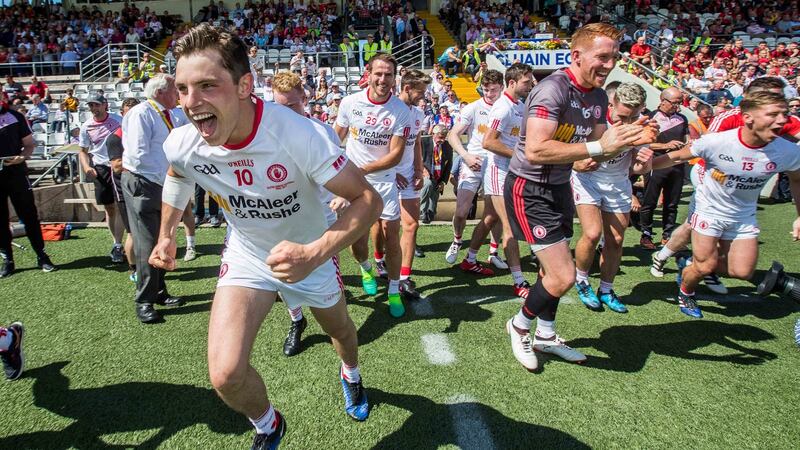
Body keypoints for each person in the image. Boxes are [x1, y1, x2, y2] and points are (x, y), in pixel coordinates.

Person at [150, 23, 381, 446]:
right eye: (182, 89)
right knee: (225, 374)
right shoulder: (183, 142)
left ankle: (351, 374)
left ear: (244, 86)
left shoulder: (297, 134)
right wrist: (166, 233)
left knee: (342, 331)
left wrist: (315, 252)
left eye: (206, 86)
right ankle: (268, 424)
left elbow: (368, 199)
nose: (191, 103)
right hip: (249, 255)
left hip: (311, 254)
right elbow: (177, 175)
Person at [504, 23, 653, 371]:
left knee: (551, 272)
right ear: (577, 56)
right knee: (563, 275)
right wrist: (599, 146)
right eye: (602, 56)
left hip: (560, 186)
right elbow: (538, 149)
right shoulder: (552, 89)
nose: (609, 64)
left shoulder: (600, 95)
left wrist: (635, 143)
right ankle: (519, 325)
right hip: (530, 189)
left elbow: (595, 155)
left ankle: (546, 334)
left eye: (614, 57)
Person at [650, 91, 800, 318]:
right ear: (748, 116)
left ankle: (687, 261)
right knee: (704, 261)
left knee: (743, 271)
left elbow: (797, 178)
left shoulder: (787, 150)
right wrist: (642, 167)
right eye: (773, 114)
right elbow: (682, 155)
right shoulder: (720, 137)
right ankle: (686, 291)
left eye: (784, 113)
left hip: (743, 213)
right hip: (709, 203)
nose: (782, 120)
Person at [334, 53, 411, 318]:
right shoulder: (350, 103)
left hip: (384, 182)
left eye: (388, 74)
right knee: (358, 239)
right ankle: (366, 268)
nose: (383, 79)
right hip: (353, 183)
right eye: (378, 73)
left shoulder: (401, 110)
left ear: (394, 77)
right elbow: (336, 138)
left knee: (391, 236)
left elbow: (396, 155)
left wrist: (364, 169)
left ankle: (392, 290)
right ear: (368, 74)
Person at [271, 70, 342, 357]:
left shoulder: (324, 132)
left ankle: (338, 326)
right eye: (279, 107)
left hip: (322, 218)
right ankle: (297, 321)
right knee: (284, 275)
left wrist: (339, 194)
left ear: (305, 98)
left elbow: (341, 172)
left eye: (292, 106)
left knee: (328, 275)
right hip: (284, 218)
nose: (286, 113)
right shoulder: (267, 135)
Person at [571, 82, 654, 313]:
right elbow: (584, 163)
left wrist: (642, 162)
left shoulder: (642, 125)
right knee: (592, 232)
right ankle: (582, 280)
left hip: (618, 184)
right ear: (612, 104)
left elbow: (639, 167)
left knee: (616, 239)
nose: (626, 123)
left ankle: (606, 289)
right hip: (588, 180)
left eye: (633, 116)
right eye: (622, 116)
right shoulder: (593, 121)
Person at [121, 75, 186, 323]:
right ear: (160, 92)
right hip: (145, 183)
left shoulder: (166, 113)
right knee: (147, 242)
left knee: (163, 238)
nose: (178, 95)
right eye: (174, 90)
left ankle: (159, 292)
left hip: (158, 182)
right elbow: (138, 156)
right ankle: (144, 300)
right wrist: (167, 175)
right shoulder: (141, 113)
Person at [481, 63, 536, 299]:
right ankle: (518, 280)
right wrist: (519, 156)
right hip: (499, 171)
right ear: (512, 83)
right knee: (509, 226)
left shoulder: (519, 105)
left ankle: (471, 255)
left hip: (515, 171)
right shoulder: (502, 108)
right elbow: (488, 142)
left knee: (494, 219)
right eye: (527, 81)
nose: (531, 84)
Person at [445, 70, 507, 273]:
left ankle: (493, 252)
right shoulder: (473, 108)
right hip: (473, 162)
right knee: (461, 212)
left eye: (494, 90)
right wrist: (466, 156)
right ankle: (457, 240)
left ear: (502, 88)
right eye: (486, 90)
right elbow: (452, 135)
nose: (489, 94)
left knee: (495, 213)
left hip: (496, 164)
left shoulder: (508, 108)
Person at [379, 69, 431, 297]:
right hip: (386, 176)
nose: (424, 96)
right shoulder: (388, 110)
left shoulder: (418, 113)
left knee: (411, 225)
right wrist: (391, 170)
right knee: (384, 227)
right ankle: (379, 261)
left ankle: (404, 277)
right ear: (407, 88)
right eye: (421, 91)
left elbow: (417, 143)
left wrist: (418, 170)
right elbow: (377, 148)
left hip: (409, 175)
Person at [0, 102, 56, 278]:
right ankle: (8, 260)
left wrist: (20, 158)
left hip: (16, 174)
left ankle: (41, 255)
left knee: (29, 215)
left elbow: (29, 145)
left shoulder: (15, 117)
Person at [77, 93, 126, 264]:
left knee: (120, 206)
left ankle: (119, 245)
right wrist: (86, 167)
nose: (94, 109)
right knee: (109, 208)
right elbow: (82, 150)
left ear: (105, 105)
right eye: (91, 106)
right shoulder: (87, 126)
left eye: (96, 105)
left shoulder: (118, 120)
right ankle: (116, 243)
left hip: (119, 165)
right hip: (101, 168)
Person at [638, 87, 689, 250]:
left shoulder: (682, 118)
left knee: (672, 203)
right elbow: (642, 142)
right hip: (657, 163)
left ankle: (668, 236)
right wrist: (665, 145)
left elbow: (687, 138)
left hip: (677, 165)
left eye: (680, 102)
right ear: (663, 101)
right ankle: (646, 234)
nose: (678, 106)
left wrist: (689, 144)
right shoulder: (650, 118)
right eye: (675, 103)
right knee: (649, 201)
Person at [106, 97, 141, 283]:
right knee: (133, 232)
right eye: (128, 113)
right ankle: (134, 269)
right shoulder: (115, 138)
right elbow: (117, 166)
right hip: (124, 190)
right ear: (122, 114)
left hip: (142, 187)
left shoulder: (139, 134)